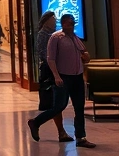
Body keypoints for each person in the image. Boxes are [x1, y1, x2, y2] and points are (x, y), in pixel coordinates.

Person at [28, 13, 96, 148]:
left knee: (79, 108)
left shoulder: (75, 38)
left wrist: (86, 56)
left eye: (73, 23)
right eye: (70, 23)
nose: (72, 26)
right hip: (63, 77)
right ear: (64, 23)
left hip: (77, 76)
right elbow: (50, 58)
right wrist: (56, 76)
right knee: (59, 106)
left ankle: (81, 137)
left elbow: (84, 53)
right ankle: (36, 122)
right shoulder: (56, 37)